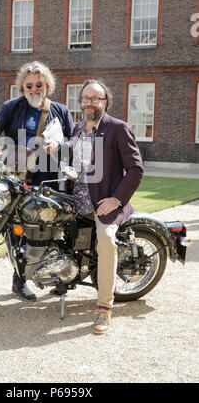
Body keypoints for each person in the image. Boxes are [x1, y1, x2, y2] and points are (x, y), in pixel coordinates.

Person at [0, 61, 74, 301]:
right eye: (30, 85)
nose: (35, 89)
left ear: (47, 85)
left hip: (50, 182)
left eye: (40, 84)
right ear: (22, 86)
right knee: (18, 231)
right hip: (17, 180)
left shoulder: (61, 111)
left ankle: (60, 276)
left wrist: (60, 145)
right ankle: (19, 280)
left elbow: (76, 143)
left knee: (53, 230)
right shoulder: (11, 107)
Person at [71, 79, 144, 334]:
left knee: (105, 240)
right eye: (86, 98)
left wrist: (117, 199)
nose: (89, 102)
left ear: (105, 102)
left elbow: (135, 169)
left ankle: (104, 308)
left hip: (105, 202)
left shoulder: (118, 128)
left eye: (95, 98)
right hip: (76, 200)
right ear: (80, 102)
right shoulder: (78, 129)